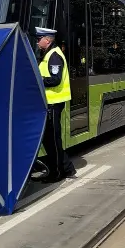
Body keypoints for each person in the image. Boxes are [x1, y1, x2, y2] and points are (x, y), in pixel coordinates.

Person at [34, 27, 76, 182]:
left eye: (39, 39)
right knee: (51, 139)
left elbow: (55, 79)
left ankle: (57, 173)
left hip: (53, 103)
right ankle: (67, 168)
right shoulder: (49, 54)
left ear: (48, 39)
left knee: (51, 140)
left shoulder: (54, 56)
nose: (37, 42)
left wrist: (37, 80)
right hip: (50, 103)